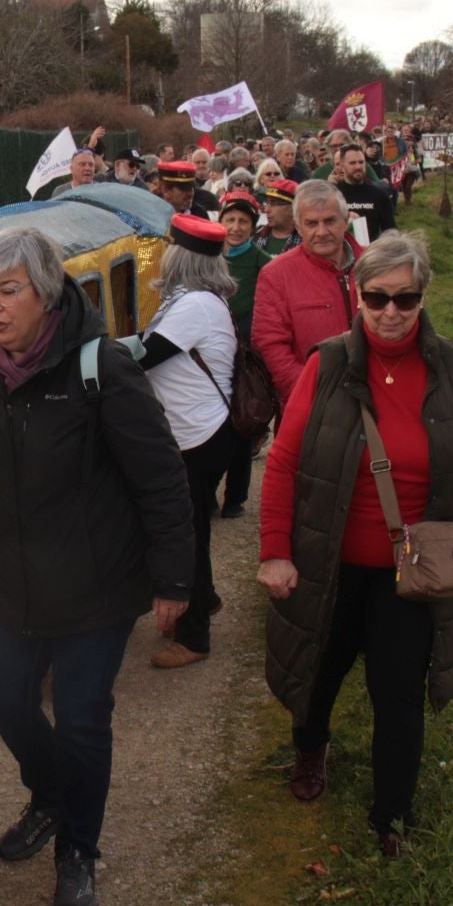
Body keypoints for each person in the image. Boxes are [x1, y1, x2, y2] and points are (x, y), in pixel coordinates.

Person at [0, 226, 192, 906]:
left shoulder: (101, 368)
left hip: (97, 587)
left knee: (84, 719)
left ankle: (79, 851)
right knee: (3, 702)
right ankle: (52, 796)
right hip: (11, 582)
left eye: (9, 291)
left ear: (47, 291)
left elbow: (161, 479)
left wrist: (175, 579)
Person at [256, 230, 453, 855]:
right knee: (318, 673)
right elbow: (283, 463)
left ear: (423, 297)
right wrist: (275, 550)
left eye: (405, 299)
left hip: (412, 573)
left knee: (399, 693)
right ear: (357, 297)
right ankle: (310, 749)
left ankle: (392, 816)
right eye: (376, 297)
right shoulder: (327, 365)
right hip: (328, 562)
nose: (390, 312)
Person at [137, 213, 239, 670]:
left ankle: (195, 635)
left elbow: (145, 354)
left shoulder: (195, 305)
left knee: (188, 534)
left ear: (181, 257)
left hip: (198, 437)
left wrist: (92, 352)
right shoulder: (192, 300)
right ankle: (206, 599)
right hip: (199, 432)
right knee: (190, 526)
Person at [252, 180, 361, 401]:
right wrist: (311, 392)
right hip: (314, 406)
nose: (321, 232)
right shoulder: (276, 274)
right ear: (298, 226)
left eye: (330, 221)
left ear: (346, 220)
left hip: (373, 399)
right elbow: (270, 345)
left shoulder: (372, 265)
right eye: (311, 223)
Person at [214, 192, 271, 520]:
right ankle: (208, 490)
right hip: (209, 351)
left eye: (243, 222)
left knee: (239, 423)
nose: (235, 227)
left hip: (242, 356)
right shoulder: (208, 256)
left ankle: (235, 496)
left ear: (252, 227)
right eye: (230, 220)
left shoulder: (259, 261)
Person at [331, 144, 397, 242]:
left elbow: (390, 231)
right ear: (341, 165)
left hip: (370, 253)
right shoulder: (333, 195)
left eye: (361, 162)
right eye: (352, 163)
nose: (358, 166)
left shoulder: (379, 195)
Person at [259, 179, 300, 256]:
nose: (266, 209)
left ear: (293, 208)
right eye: (267, 202)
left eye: (273, 203)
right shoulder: (255, 235)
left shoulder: (306, 241)